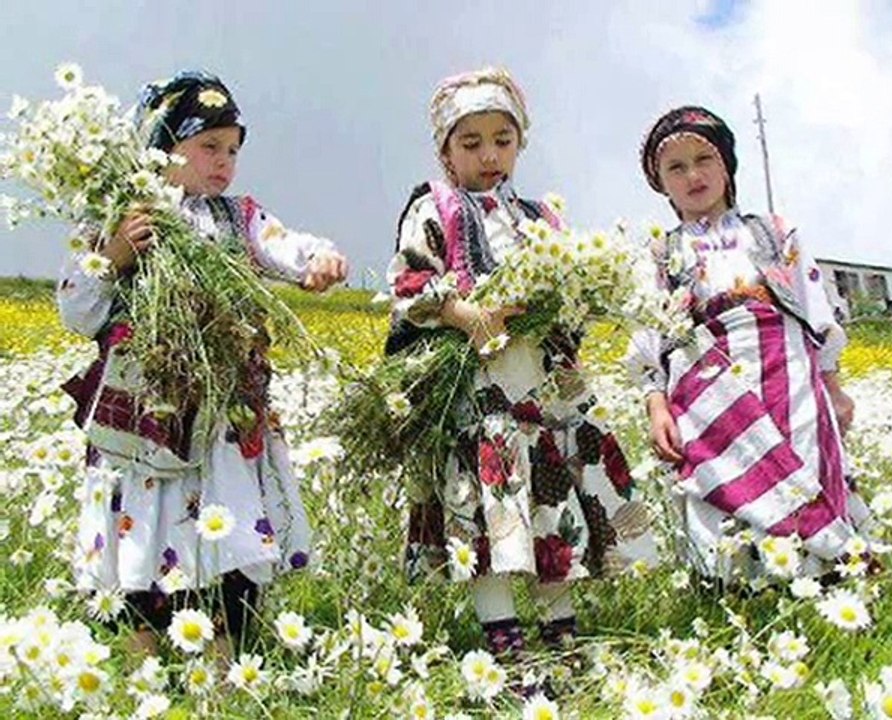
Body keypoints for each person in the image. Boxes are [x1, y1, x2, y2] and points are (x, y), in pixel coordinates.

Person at [58, 70, 347, 657]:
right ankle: (142, 657)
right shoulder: (121, 213)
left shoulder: (239, 217)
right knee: (144, 526)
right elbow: (77, 311)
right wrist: (113, 254)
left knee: (227, 527)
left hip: (221, 416)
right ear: (162, 147)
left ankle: (220, 662)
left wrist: (320, 258)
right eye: (208, 146)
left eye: (233, 150)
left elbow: (284, 246)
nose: (224, 162)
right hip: (146, 415)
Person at [387, 67, 657, 660]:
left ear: (520, 143)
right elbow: (406, 285)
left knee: (553, 509)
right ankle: (506, 649)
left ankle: (563, 640)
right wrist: (463, 312)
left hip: (545, 393)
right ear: (446, 151)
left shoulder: (541, 218)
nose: (489, 155)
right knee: (489, 520)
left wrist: (574, 300)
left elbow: (570, 289)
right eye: (471, 142)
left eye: (502, 140)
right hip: (481, 393)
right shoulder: (435, 209)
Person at [626, 105, 870, 586]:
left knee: (800, 463)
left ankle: (817, 579)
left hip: (788, 372)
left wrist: (834, 386)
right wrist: (657, 405)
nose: (693, 175)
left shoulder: (774, 233)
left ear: (726, 165)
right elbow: (648, 334)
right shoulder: (661, 253)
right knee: (723, 479)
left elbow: (814, 307)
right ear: (660, 181)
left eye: (704, 159)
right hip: (705, 388)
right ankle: (738, 588)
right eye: (676, 167)